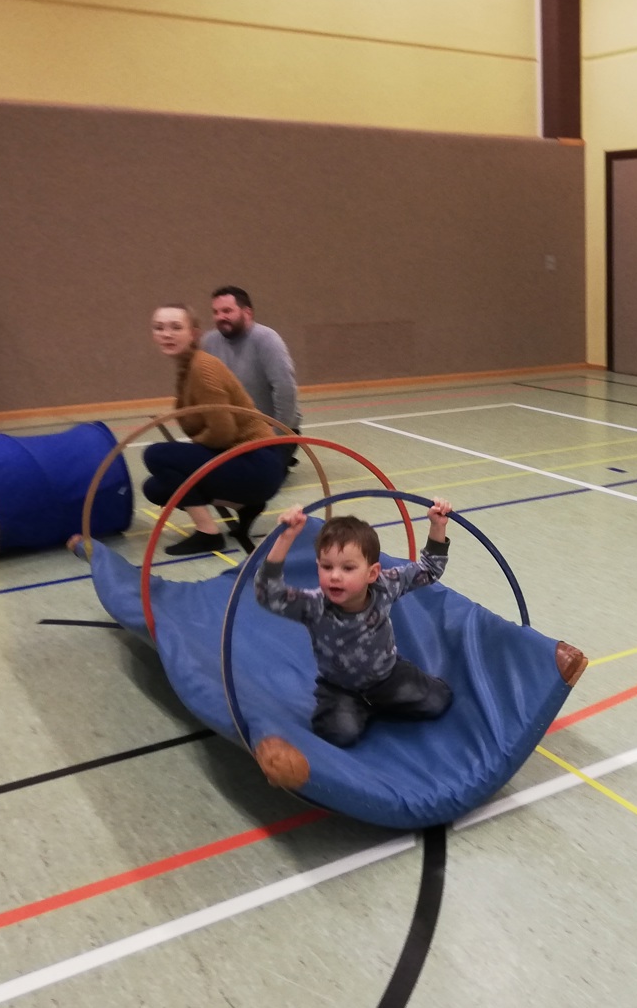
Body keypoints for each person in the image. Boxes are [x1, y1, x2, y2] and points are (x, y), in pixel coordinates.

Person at [255, 502, 456, 748]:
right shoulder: (314, 605)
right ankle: (361, 706)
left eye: (348, 568)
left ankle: (377, 702)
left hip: (388, 675)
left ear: (372, 573)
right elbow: (269, 595)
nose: (335, 576)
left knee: (438, 701)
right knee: (340, 733)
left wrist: (437, 525)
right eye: (326, 567)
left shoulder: (385, 585)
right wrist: (285, 538)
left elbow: (430, 569)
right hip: (340, 687)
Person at [143, 304, 287, 555]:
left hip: (257, 464)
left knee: (156, 455)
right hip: (240, 460)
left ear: (194, 333)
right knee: (156, 488)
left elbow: (222, 433)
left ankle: (208, 533)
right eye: (159, 328)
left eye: (176, 327)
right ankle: (243, 506)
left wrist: (189, 450)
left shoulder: (203, 368)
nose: (166, 334)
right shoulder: (188, 367)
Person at [202, 286, 301, 463]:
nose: (220, 317)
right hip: (232, 433)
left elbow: (285, 390)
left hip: (271, 432)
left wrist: (276, 435)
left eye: (227, 311)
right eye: (215, 312)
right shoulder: (209, 342)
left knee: (244, 474)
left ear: (247, 313)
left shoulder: (267, 339)